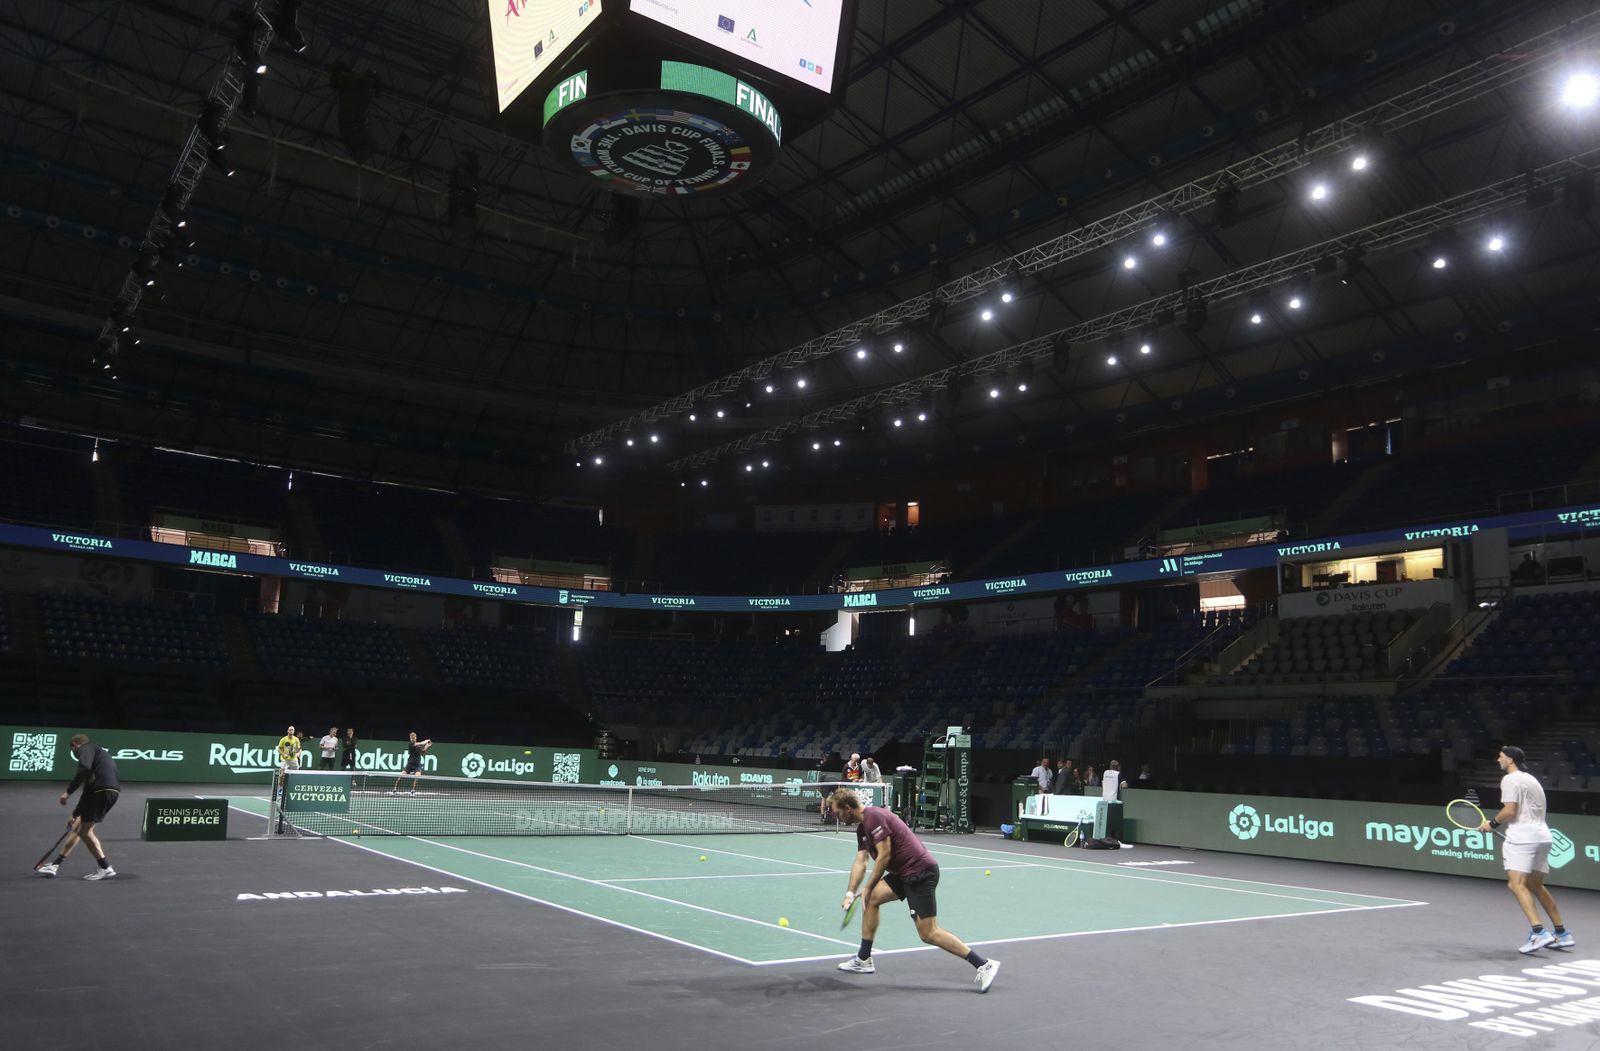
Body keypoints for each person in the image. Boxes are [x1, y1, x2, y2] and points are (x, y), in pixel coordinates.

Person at [826, 787, 999, 992]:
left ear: (848, 808)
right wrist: (850, 893)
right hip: (903, 873)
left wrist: (868, 886)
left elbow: (884, 856)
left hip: (920, 873)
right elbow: (860, 862)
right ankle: (864, 959)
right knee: (871, 899)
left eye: (837, 812)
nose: (836, 816)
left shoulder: (874, 818)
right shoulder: (862, 829)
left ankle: (983, 964)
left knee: (928, 933)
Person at [1481, 746, 1573, 954]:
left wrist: (1491, 824)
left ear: (1510, 760)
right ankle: (1562, 933)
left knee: (1516, 884)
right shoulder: (1531, 779)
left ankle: (1539, 932)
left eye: (1501, 756)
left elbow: (1510, 810)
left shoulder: (1509, 779)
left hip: (1522, 838)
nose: (1498, 759)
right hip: (1543, 836)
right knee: (1535, 885)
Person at [37, 734, 120, 880]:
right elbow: (88, 790)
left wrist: (68, 793)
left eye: (73, 750)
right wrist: (76, 813)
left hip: (101, 792)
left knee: (84, 831)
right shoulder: (99, 758)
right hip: (109, 792)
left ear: (75, 744)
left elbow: (83, 769)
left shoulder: (86, 748)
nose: (75, 753)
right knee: (78, 829)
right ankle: (55, 865)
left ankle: (105, 867)